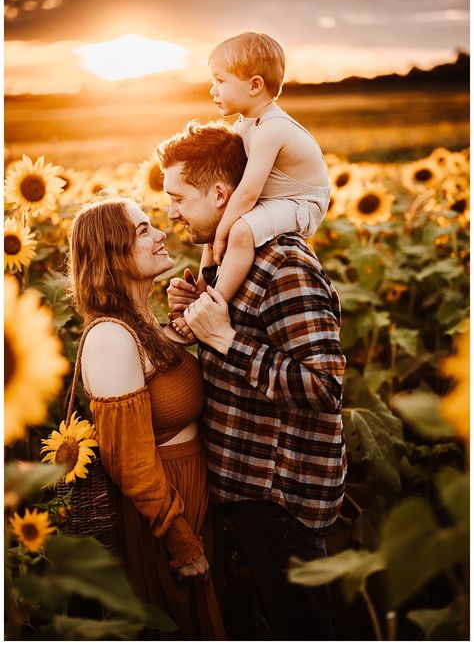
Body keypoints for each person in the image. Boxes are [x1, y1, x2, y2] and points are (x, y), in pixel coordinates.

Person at [158, 121, 346, 640]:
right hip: (246, 490)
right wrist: (195, 314)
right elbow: (238, 350)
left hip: (280, 498)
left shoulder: (284, 266)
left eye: (177, 196)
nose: (169, 210)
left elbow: (324, 389)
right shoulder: (227, 260)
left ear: (220, 193)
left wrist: (224, 339)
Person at [67, 196, 226, 640]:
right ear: (111, 254)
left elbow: (183, 344)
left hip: (189, 488)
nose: (160, 235)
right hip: (163, 508)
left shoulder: (141, 325)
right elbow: (129, 463)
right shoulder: (110, 339)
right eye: (142, 231)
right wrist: (179, 539)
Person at [168, 31, 330, 344]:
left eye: (220, 80)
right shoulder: (245, 125)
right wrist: (217, 233)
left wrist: (224, 233)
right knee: (218, 228)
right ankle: (202, 294)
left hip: (302, 203)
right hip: (278, 198)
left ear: (254, 85)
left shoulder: (272, 128)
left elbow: (248, 192)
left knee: (238, 230)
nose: (212, 90)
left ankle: (212, 308)